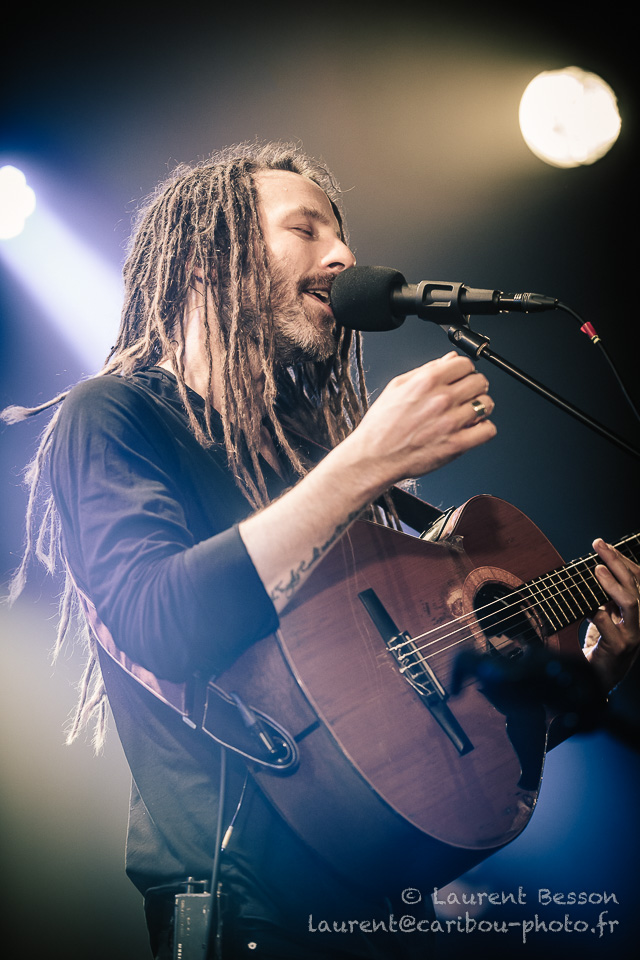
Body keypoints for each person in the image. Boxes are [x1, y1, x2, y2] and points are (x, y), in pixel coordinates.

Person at [3, 141, 639, 960]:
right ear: (205, 259)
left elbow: (415, 733)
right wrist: (361, 463)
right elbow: (160, 623)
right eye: (305, 230)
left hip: (390, 911)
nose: (342, 256)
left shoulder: (319, 454)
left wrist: (587, 683)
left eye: (341, 235)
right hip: (251, 912)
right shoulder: (116, 417)